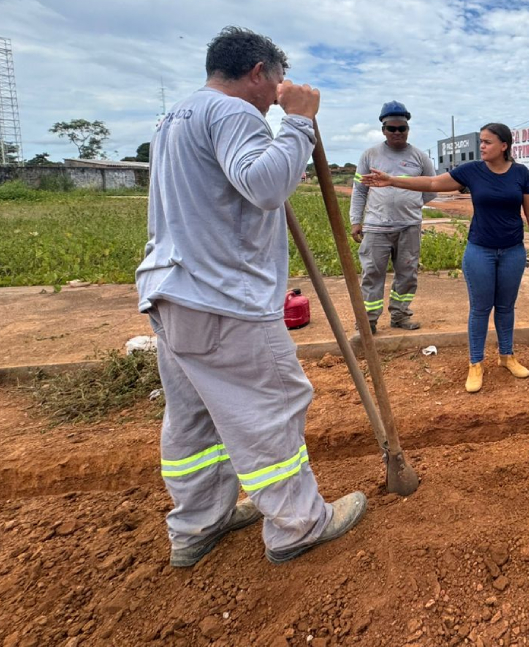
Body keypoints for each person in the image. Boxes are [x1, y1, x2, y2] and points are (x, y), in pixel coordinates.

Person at [135, 27, 366, 567]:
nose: (279, 92)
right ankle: (298, 526)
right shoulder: (235, 113)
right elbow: (264, 186)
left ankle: (197, 526)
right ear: (258, 71)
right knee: (272, 409)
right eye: (278, 80)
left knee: (194, 419)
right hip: (225, 299)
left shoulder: (175, 118)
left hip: (173, 293)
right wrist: (300, 122)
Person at [362, 123, 529, 393]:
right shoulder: (472, 171)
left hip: (512, 251)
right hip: (480, 250)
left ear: (504, 146)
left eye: (487, 142)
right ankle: (476, 364)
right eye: (480, 141)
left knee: (506, 307)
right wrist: (392, 180)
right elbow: (434, 182)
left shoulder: (520, 173)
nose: (481, 146)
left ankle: (507, 356)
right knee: (480, 309)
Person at [349, 101, 436, 334]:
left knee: (407, 274)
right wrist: (356, 221)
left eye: (402, 128)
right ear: (383, 129)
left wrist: (412, 204)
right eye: (392, 128)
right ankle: (368, 322)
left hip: (409, 227)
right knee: (372, 274)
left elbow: (431, 187)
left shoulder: (419, 157)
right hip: (376, 228)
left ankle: (400, 315)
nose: (397, 133)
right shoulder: (370, 155)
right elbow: (359, 191)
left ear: (408, 129)